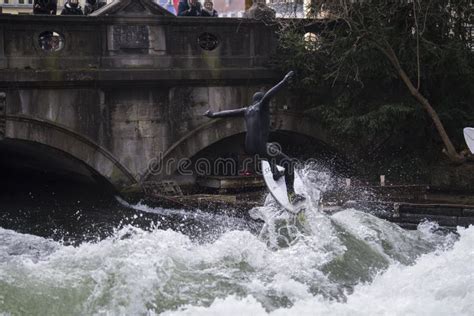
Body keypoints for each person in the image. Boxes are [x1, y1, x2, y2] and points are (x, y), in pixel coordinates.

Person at [203, 71, 306, 205]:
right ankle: (292, 195)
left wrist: (213, 114)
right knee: (289, 164)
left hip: (249, 147)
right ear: (261, 101)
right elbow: (270, 94)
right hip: (259, 146)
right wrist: (284, 81)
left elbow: (229, 113)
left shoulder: (247, 110)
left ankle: (275, 173)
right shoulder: (262, 107)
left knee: (271, 148)